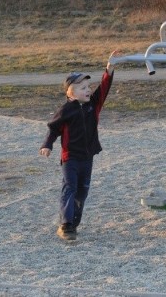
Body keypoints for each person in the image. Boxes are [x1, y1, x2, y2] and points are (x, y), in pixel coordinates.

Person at [40, 51, 119, 241]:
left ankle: (73, 223)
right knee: (70, 187)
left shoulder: (93, 105)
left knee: (82, 191)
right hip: (70, 158)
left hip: (87, 157)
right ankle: (66, 225)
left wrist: (109, 69)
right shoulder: (66, 110)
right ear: (71, 93)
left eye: (88, 86)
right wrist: (47, 144)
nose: (88, 90)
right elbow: (53, 128)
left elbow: (104, 89)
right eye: (82, 87)